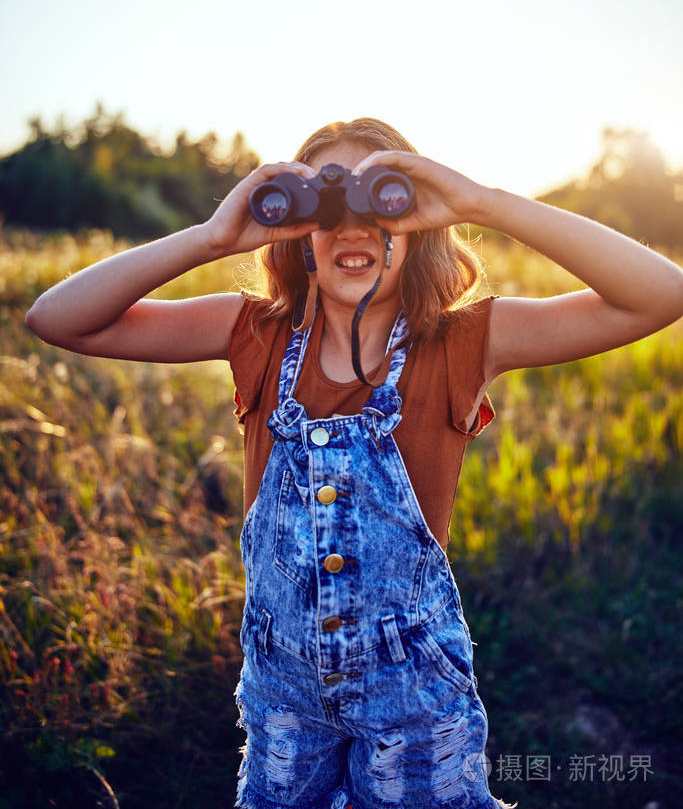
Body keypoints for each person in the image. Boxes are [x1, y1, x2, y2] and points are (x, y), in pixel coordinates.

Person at [25, 117, 683, 809]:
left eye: (382, 200)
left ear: (417, 224)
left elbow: (660, 293)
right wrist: (214, 237)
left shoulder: (463, 342)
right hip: (284, 696)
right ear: (294, 233)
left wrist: (478, 201)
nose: (353, 227)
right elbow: (58, 319)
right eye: (327, 208)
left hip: (413, 696)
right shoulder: (252, 332)